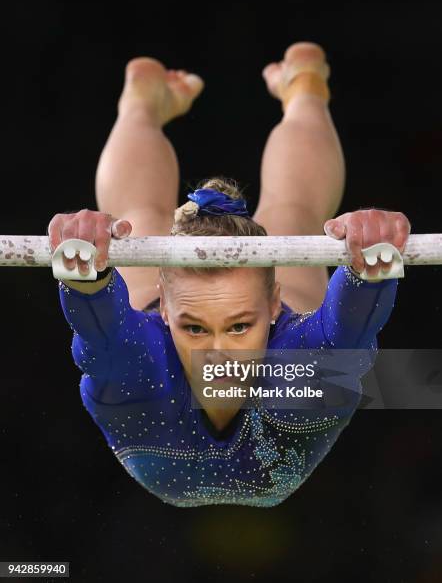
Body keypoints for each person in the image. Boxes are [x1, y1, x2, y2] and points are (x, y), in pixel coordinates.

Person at [48, 42, 411, 507]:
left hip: (226, 345)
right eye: (194, 327)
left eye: (240, 326)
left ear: (273, 307)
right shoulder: (143, 362)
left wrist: (84, 269)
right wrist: (371, 264)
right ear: (165, 311)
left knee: (139, 222)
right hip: (163, 345)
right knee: (290, 214)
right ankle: (303, 88)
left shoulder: (286, 364)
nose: (218, 355)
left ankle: (142, 102)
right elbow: (355, 324)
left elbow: (93, 306)